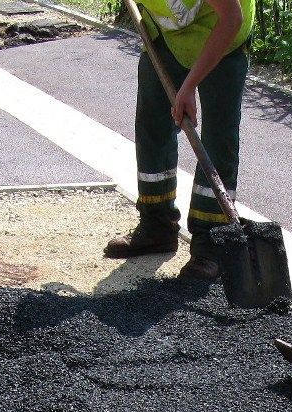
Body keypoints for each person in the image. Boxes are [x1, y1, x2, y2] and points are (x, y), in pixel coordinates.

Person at [103, 0, 255, 280]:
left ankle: (211, 242)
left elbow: (231, 18)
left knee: (218, 138)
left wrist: (189, 86)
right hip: (168, 38)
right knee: (152, 122)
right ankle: (156, 225)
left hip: (224, 32)